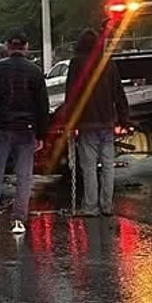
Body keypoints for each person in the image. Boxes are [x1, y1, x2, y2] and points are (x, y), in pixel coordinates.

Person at [0, 31, 49, 235]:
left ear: (7, 46)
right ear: (26, 47)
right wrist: (41, 134)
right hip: (27, 130)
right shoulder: (35, 71)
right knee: (24, 177)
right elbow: (42, 105)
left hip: (1, 128)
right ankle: (19, 221)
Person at [63, 27, 130, 216]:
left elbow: (72, 94)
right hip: (107, 122)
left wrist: (69, 121)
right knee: (108, 165)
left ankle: (90, 206)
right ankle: (107, 205)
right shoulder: (108, 63)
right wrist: (124, 118)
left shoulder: (76, 63)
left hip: (87, 123)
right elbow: (119, 94)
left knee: (89, 166)